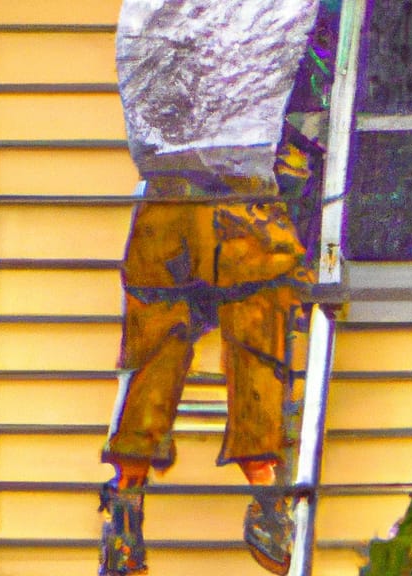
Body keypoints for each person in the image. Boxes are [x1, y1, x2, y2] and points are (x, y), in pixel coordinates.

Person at [98, 1, 320, 575]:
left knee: (152, 353)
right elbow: (300, 127)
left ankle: (124, 505)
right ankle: (267, 500)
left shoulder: (161, 15)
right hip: (242, 210)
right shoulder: (274, 16)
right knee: (258, 343)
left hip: (164, 206)